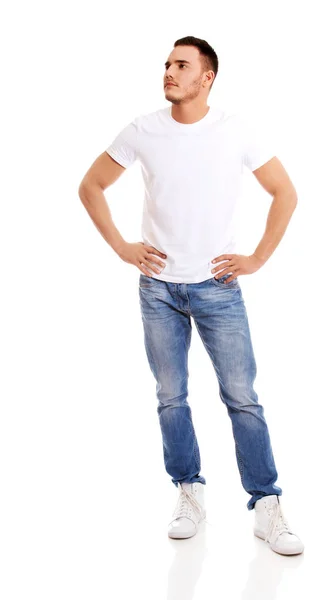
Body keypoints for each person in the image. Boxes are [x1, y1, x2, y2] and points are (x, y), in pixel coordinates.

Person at [78, 35, 304, 556]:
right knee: (170, 396)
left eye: (182, 65)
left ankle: (267, 504)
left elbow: (285, 193)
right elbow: (91, 185)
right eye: (166, 64)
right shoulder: (143, 130)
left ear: (207, 78)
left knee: (242, 397)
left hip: (218, 287)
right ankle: (189, 491)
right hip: (157, 288)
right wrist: (121, 247)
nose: (169, 72)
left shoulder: (235, 131)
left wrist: (257, 259)